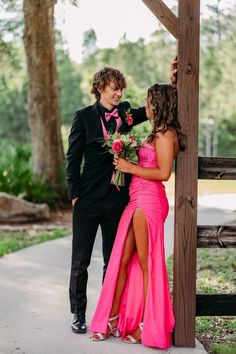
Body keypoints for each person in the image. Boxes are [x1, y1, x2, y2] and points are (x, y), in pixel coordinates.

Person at [66, 63, 177, 334]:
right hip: (88, 200)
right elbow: (72, 159)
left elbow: (157, 106)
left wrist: (173, 83)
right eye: (115, 88)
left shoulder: (126, 113)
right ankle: (78, 314)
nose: (119, 93)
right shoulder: (83, 117)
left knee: (112, 260)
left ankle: (107, 316)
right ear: (101, 87)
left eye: (121, 89)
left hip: (119, 200)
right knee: (80, 260)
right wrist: (75, 196)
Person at [90, 83, 184, 349]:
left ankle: (147, 324)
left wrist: (129, 166)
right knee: (122, 259)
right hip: (136, 199)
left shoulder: (167, 135)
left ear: (159, 104)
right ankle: (113, 318)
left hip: (149, 201)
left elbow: (164, 173)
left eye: (149, 101)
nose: (146, 105)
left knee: (146, 263)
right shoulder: (157, 132)